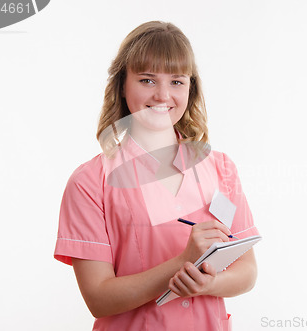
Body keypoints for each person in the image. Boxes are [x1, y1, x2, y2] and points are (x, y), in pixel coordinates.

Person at [54, 21, 259, 331]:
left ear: (191, 88)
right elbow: (98, 298)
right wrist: (181, 265)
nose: (163, 95)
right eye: (147, 80)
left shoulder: (221, 169)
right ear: (123, 84)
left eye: (177, 81)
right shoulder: (90, 182)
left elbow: (247, 271)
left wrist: (204, 283)